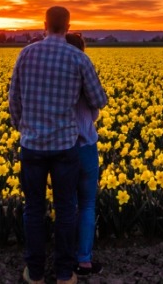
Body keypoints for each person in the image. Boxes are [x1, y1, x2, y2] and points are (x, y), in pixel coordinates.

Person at [8, 6, 109, 284]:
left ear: (44, 24)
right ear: (68, 25)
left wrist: (24, 128)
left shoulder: (26, 54)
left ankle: (36, 272)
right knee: (66, 208)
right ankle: (66, 274)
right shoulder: (78, 58)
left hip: (32, 146)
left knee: (34, 208)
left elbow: (13, 100)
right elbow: (99, 100)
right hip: (65, 146)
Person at [64, 33, 103, 276]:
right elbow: (97, 108)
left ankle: (64, 258)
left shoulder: (56, 78)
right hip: (87, 145)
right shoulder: (85, 71)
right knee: (87, 205)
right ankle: (84, 260)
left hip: (63, 148)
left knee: (68, 205)